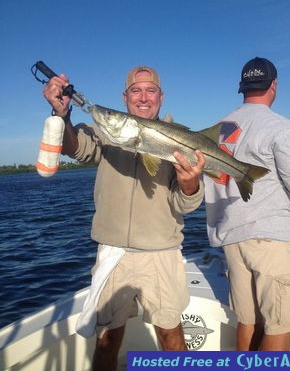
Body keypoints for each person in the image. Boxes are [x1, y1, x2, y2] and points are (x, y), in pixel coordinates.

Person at [43, 65, 205, 371]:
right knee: (106, 342)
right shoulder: (105, 132)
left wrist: (190, 184)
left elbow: (186, 204)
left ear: (161, 96)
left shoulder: (182, 138)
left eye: (150, 90)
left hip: (162, 251)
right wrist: (63, 115)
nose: (143, 97)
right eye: (136, 90)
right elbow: (75, 147)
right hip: (113, 252)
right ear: (125, 97)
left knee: (171, 336)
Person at [204, 57, 290, 351]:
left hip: (231, 238)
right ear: (274, 85)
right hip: (270, 239)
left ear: (242, 88)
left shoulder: (218, 129)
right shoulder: (279, 126)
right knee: (279, 325)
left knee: (248, 321)